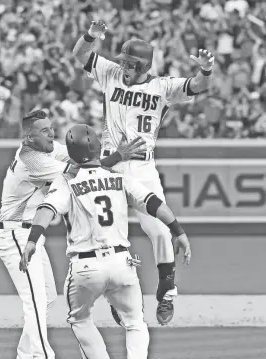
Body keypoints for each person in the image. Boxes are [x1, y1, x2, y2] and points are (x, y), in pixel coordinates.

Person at [19, 124, 192, 359]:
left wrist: (31, 240)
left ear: (72, 154)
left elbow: (47, 210)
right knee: (135, 322)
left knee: (80, 318)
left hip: (86, 267)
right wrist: (179, 232)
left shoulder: (67, 181)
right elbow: (153, 202)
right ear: (99, 148)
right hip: (123, 263)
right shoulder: (118, 176)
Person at [72, 20, 213, 325]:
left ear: (144, 65)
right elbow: (81, 54)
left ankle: (166, 290)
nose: (123, 67)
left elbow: (198, 86)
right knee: (107, 236)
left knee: (160, 230)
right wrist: (90, 36)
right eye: (122, 61)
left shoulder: (162, 87)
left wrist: (205, 69)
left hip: (143, 166)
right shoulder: (110, 73)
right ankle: (116, 296)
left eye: (130, 64)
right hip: (110, 162)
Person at [0, 110, 74, 359]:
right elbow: (77, 169)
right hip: (16, 234)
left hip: (30, 234)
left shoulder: (46, 148)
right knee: (35, 302)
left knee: (48, 296)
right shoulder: (32, 160)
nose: (51, 133)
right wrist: (116, 158)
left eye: (51, 128)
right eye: (44, 130)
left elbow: (74, 153)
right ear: (29, 137)